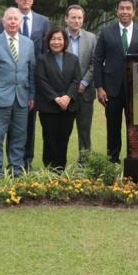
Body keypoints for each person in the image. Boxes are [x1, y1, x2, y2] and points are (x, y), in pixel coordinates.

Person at [93, 0, 138, 163]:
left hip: (137, 89)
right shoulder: (106, 33)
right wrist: (99, 88)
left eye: (128, 8)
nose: (125, 11)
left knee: (135, 127)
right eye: (122, 8)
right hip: (111, 90)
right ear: (117, 11)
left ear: (134, 12)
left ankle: (134, 158)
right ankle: (113, 159)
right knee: (112, 127)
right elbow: (97, 60)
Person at [0, 7, 37, 179]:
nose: (13, 22)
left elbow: (31, 72)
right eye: (10, 19)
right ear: (3, 22)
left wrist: (31, 95)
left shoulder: (29, 44)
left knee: (19, 138)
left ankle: (16, 170)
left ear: (21, 23)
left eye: (16, 19)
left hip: (22, 98)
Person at [8, 0, 49, 170]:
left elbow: (46, 51)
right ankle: (12, 161)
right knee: (11, 124)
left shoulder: (43, 21)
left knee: (29, 124)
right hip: (11, 83)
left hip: (33, 82)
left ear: (33, 0)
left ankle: (27, 161)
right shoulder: (9, 19)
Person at [36, 27, 81, 170]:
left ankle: (60, 170)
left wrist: (67, 97)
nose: (56, 42)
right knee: (49, 139)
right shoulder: (42, 59)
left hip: (69, 107)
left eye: (59, 39)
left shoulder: (73, 59)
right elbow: (42, 81)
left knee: (64, 139)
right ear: (48, 41)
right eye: (53, 39)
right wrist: (56, 98)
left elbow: (76, 80)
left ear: (65, 41)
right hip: (49, 107)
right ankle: (49, 170)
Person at [64, 5, 98, 163]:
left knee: (84, 132)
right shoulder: (59, 37)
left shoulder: (91, 38)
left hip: (85, 93)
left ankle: (84, 164)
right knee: (62, 131)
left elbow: (94, 63)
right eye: (73, 17)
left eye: (79, 18)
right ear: (66, 19)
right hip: (64, 93)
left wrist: (84, 82)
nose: (76, 21)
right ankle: (59, 164)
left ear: (83, 20)